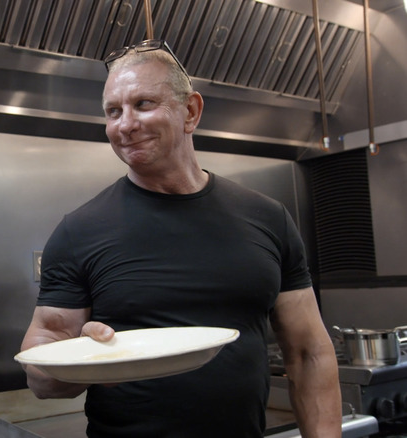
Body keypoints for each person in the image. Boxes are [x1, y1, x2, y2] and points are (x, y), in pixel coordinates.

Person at [20, 40, 341, 437]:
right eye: (113, 111)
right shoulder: (78, 232)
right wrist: (82, 364)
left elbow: (309, 352)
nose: (125, 124)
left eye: (143, 104)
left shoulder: (267, 217)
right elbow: (39, 375)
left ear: (190, 111)